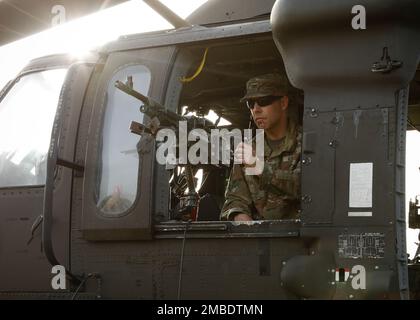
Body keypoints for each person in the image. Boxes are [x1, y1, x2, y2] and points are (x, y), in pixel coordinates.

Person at [220, 73, 301, 221]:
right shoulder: (248, 150)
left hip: (301, 240)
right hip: (257, 239)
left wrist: (261, 169)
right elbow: (235, 200)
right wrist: (243, 222)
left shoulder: (307, 143)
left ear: (283, 103)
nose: (256, 110)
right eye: (250, 104)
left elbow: (308, 190)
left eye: (263, 101)